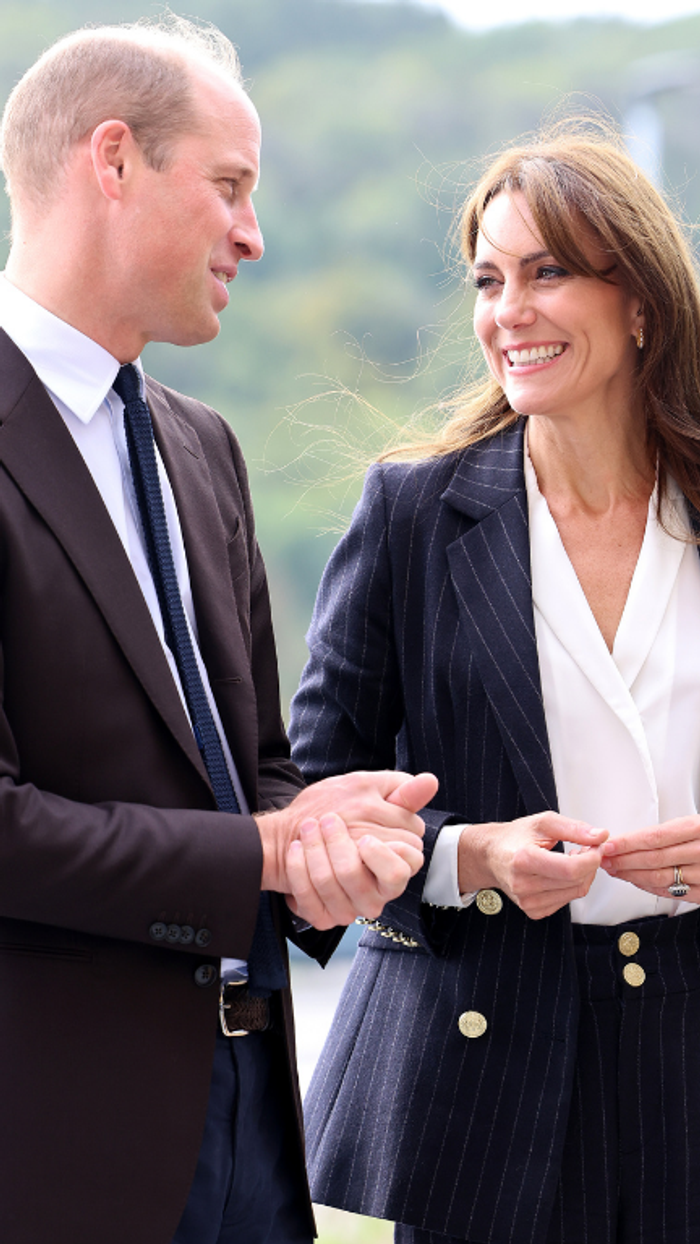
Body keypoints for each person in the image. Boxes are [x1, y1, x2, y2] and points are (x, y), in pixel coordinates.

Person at [0, 17, 438, 1244]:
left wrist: (326, 851)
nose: (254, 233)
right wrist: (259, 848)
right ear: (112, 161)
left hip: (254, 1127)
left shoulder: (202, 446)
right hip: (51, 1154)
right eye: (231, 186)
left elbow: (251, 773)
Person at [290, 122, 700, 1244]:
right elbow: (306, 795)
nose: (506, 310)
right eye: (487, 279)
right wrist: (464, 857)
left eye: (546, 271)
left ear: (643, 305)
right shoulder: (411, 515)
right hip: (490, 1086)